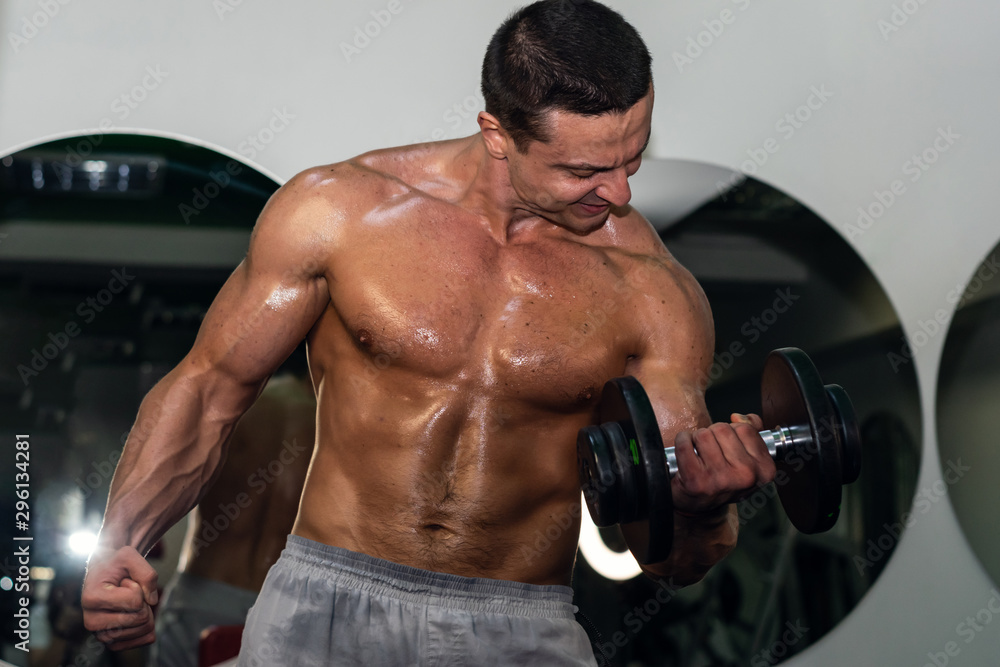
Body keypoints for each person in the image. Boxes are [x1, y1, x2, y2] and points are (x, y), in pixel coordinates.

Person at [82, 1, 776, 664]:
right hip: (324, 601)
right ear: (498, 133)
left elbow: (672, 561)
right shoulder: (340, 212)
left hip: (521, 622)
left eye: (633, 158)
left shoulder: (654, 291)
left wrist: (702, 506)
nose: (620, 193)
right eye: (585, 170)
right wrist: (123, 541)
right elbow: (210, 389)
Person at [149, 354, 316, 667]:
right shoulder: (339, 429)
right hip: (282, 610)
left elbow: (164, 482)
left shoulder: (235, 406)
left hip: (205, 591)